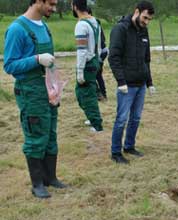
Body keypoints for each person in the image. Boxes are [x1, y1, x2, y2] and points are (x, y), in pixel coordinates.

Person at [3, 0, 69, 198]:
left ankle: (51, 178)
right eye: (50, 3)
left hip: (48, 89)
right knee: (36, 136)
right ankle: (37, 184)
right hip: (30, 92)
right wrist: (36, 59)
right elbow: (10, 65)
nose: (54, 8)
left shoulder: (45, 27)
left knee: (50, 133)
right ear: (37, 1)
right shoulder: (17, 29)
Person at [108, 1, 156, 164]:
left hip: (141, 84)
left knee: (135, 118)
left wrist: (149, 82)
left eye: (149, 19)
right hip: (126, 85)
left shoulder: (144, 32)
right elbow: (113, 57)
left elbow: (146, 59)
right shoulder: (120, 29)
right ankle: (116, 152)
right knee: (122, 118)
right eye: (144, 18)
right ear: (137, 12)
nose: (146, 22)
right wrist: (120, 81)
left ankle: (129, 146)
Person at [72, 0, 103, 132]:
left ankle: (97, 124)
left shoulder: (81, 25)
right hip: (95, 60)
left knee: (84, 94)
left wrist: (79, 71)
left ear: (74, 6)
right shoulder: (95, 21)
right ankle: (92, 118)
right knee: (87, 92)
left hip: (87, 64)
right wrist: (99, 61)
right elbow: (100, 45)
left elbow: (82, 50)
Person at [87, 7, 108, 101]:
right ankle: (102, 93)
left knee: (93, 74)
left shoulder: (93, 23)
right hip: (101, 52)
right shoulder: (95, 23)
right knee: (97, 75)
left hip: (99, 53)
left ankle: (100, 94)